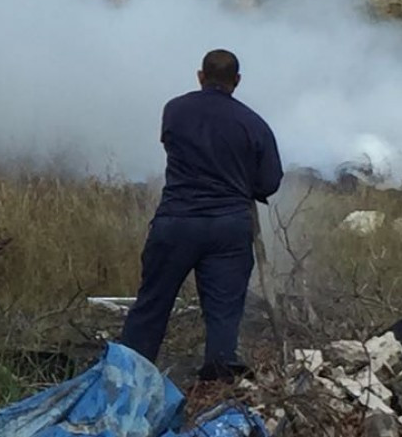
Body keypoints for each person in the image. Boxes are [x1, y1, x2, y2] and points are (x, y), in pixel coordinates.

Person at [120, 49, 283, 381]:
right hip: (229, 228)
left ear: (200, 76)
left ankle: (128, 379)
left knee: (152, 305)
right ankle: (217, 388)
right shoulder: (254, 124)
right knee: (224, 312)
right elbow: (269, 181)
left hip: (176, 221)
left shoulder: (175, 110)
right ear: (236, 81)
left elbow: (171, 144)